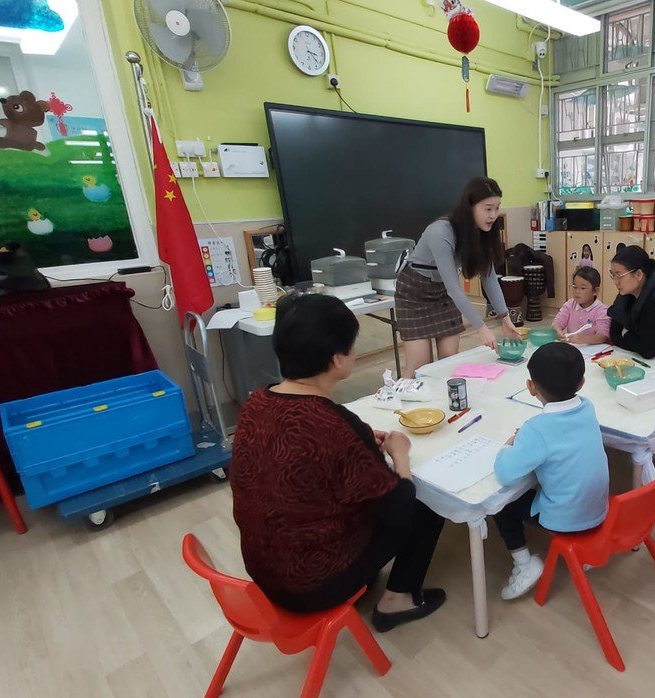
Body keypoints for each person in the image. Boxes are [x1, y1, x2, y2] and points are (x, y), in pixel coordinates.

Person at [230, 293, 447, 631]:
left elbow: (301, 456)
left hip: (265, 574)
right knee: (426, 504)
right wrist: (400, 455)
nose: (354, 354)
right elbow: (399, 504)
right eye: (352, 347)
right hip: (311, 586)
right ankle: (397, 600)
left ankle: (363, 579)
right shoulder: (335, 427)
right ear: (336, 359)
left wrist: (359, 439)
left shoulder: (256, 403)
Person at [491, 343, 609, 599]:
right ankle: (583, 549)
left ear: (531, 387)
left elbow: (506, 473)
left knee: (501, 504)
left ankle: (525, 565)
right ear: (582, 383)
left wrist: (508, 445)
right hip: (599, 510)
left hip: (566, 520)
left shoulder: (536, 429)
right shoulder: (587, 406)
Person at [396, 176, 519, 376]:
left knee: (449, 358)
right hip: (414, 294)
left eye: (497, 208)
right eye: (488, 209)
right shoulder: (440, 232)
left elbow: (489, 278)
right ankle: (406, 395)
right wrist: (481, 328)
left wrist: (505, 319)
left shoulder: (483, 232)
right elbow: (454, 288)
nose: (493, 215)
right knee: (420, 366)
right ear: (470, 206)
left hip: (443, 293)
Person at [552, 266, 611, 345]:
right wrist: (558, 331)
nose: (577, 291)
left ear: (595, 291)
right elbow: (556, 323)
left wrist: (585, 339)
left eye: (582, 288)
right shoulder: (570, 305)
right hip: (572, 346)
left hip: (592, 349)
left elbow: (603, 336)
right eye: (575, 287)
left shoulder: (602, 310)